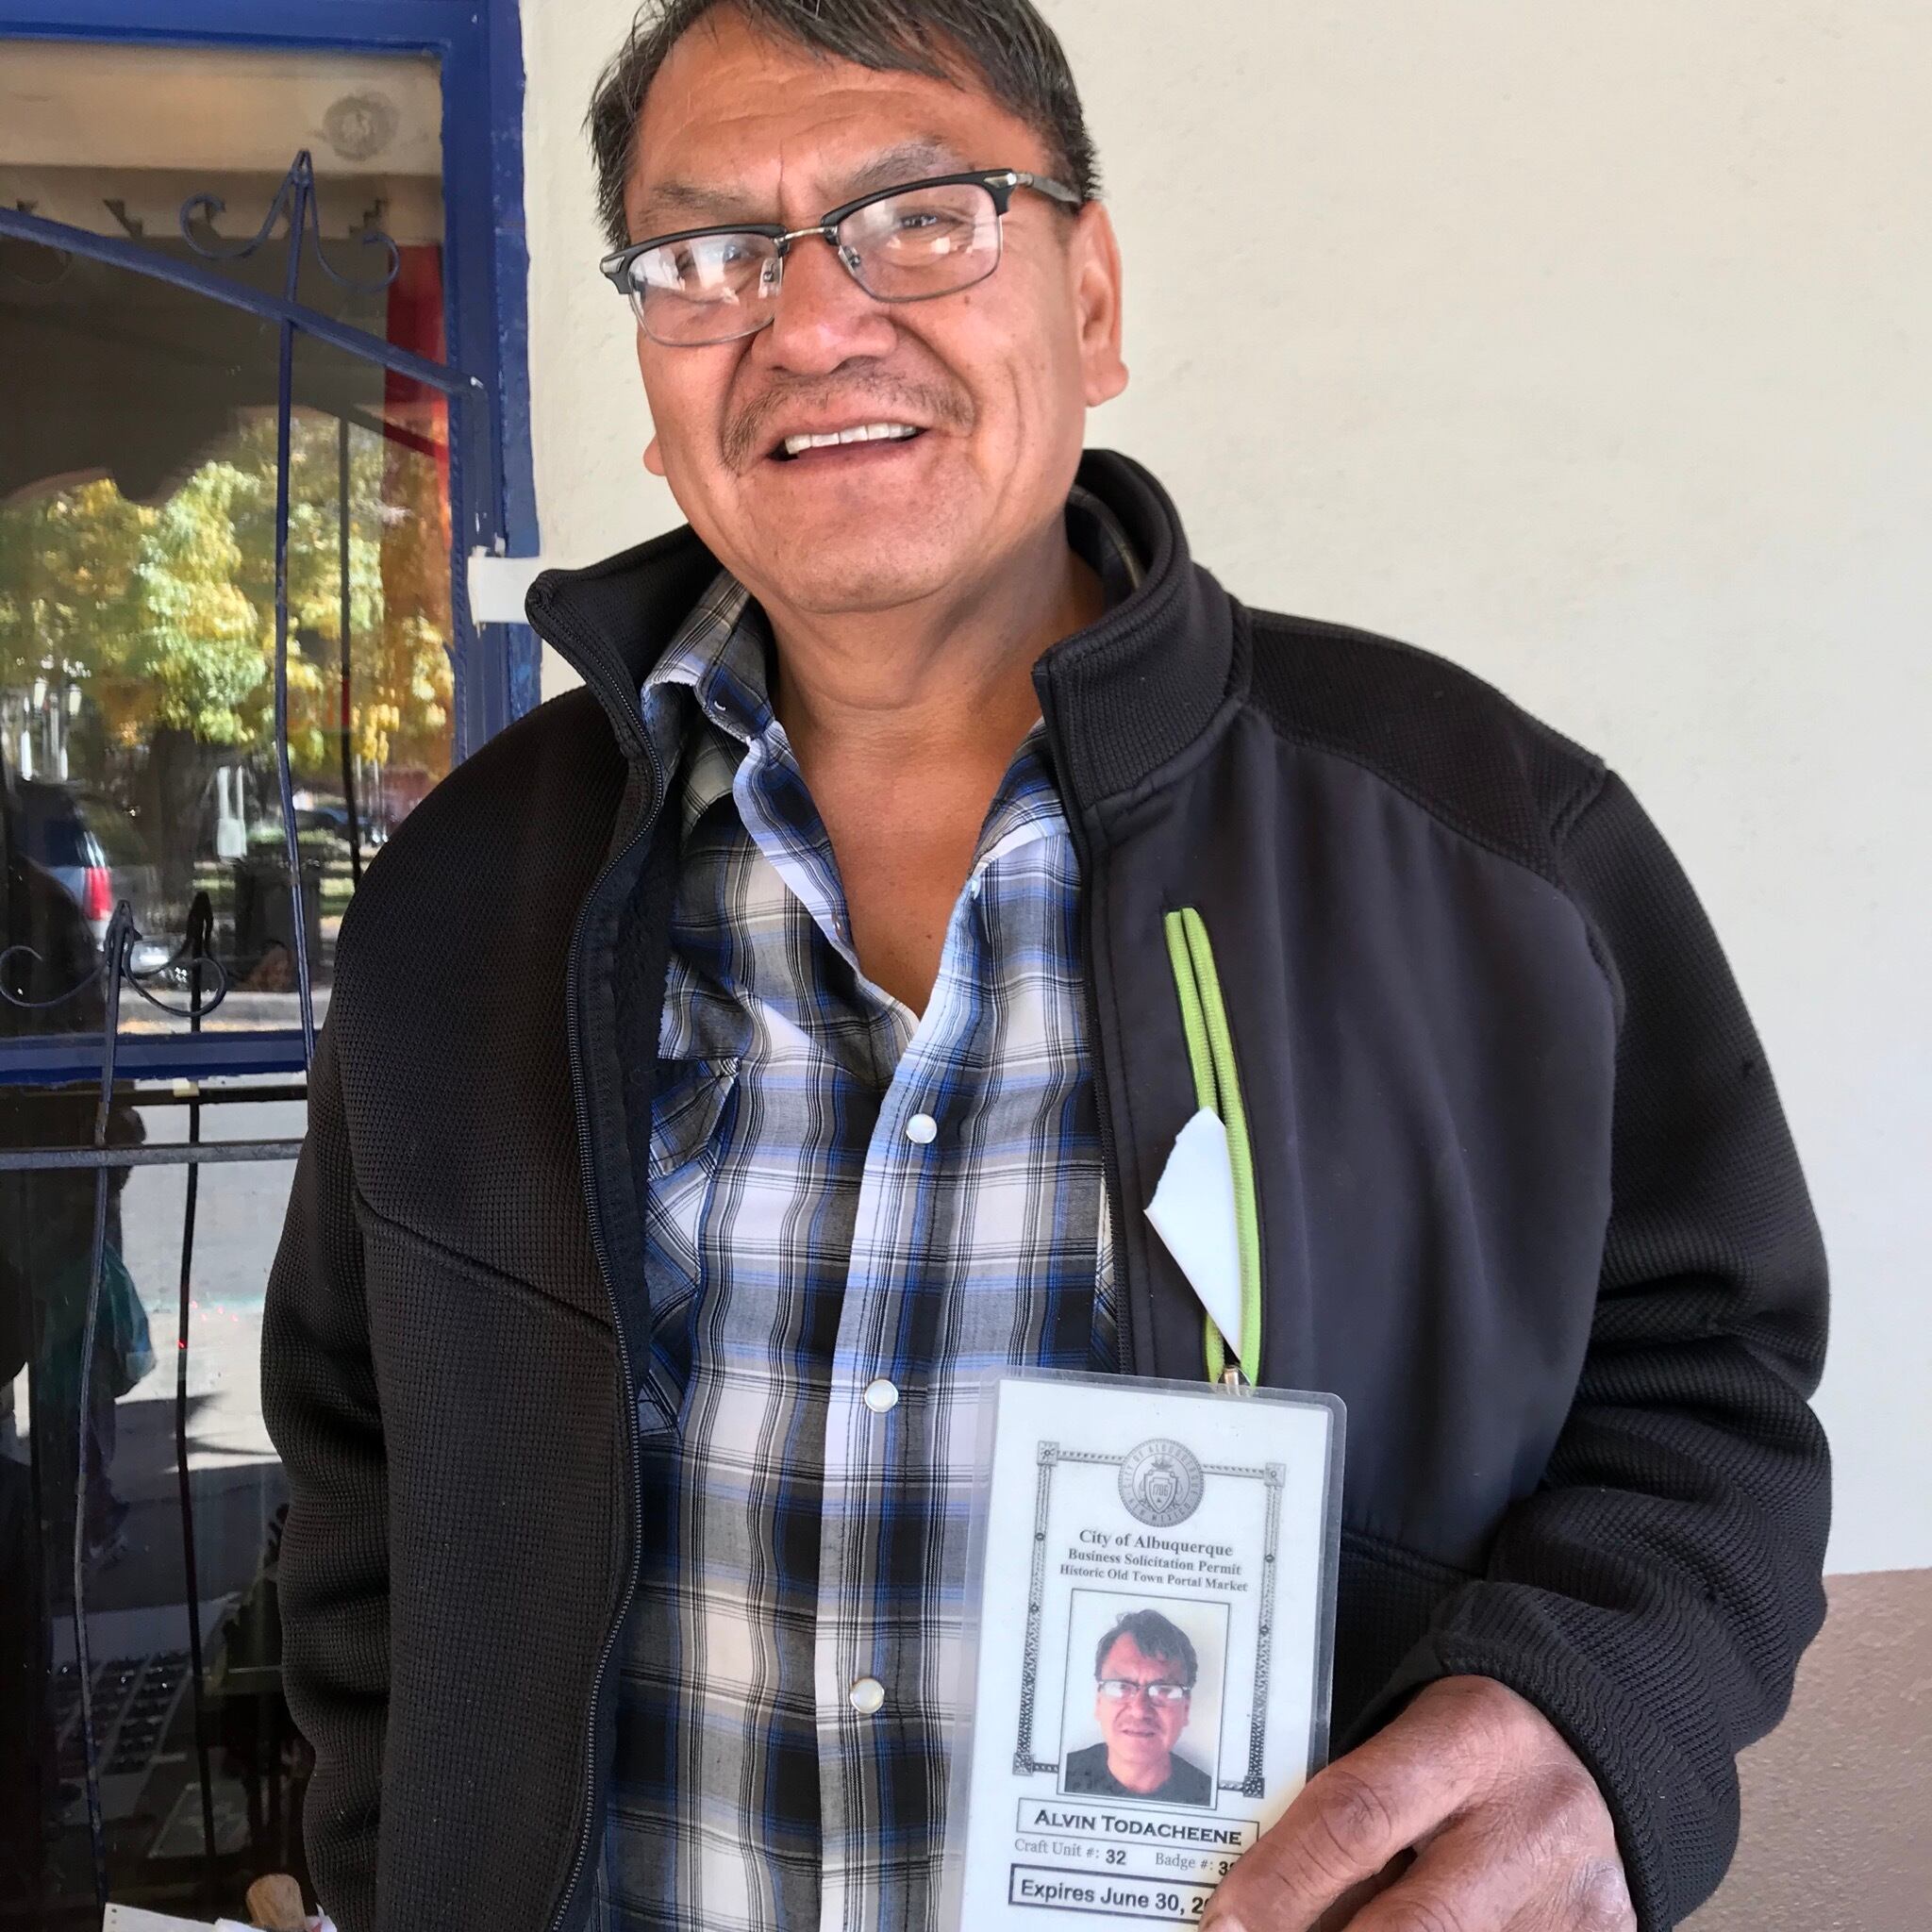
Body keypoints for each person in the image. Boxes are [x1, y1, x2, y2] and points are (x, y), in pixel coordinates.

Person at [260, 2, 1831, 1928]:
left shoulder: (1484, 846)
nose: (810, 323)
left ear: (1090, 299)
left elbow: (1706, 1376)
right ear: (653, 373)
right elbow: (359, 1476)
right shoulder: (465, 895)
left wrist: (1601, 1710)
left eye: (920, 216)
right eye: (709, 253)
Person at [1064, 1609, 1213, 1807]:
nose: (1139, 1710)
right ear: (1099, 1702)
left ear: (1185, 1708)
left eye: (1163, 1690)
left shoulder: (1211, 1799)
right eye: (1121, 1687)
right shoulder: (1056, 1779)